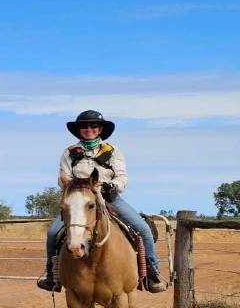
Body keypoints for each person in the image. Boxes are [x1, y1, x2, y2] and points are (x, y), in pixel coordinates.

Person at [38, 110, 166, 293]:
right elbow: (62, 177)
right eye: (84, 126)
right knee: (52, 233)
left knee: (143, 229)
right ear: (78, 130)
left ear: (100, 129)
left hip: (109, 198)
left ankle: (152, 274)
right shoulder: (69, 152)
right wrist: (73, 184)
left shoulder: (113, 152)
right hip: (80, 201)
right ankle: (52, 275)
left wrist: (113, 186)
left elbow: (122, 177)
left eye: (93, 126)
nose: (88, 129)